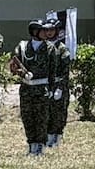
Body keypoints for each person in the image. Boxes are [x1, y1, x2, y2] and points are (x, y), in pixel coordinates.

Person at [9, 19, 60, 155]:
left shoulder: (50, 48)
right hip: (26, 89)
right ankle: (31, 144)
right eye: (42, 30)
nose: (46, 33)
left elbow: (52, 72)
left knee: (42, 118)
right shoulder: (23, 47)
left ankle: (40, 146)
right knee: (27, 117)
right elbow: (14, 66)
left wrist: (53, 89)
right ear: (34, 32)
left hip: (42, 89)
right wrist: (19, 72)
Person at [41, 17, 72, 148]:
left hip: (59, 84)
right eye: (46, 30)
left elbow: (65, 71)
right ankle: (47, 137)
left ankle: (57, 137)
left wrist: (59, 87)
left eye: (51, 30)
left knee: (58, 113)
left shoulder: (62, 48)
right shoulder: (43, 47)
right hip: (46, 84)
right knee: (45, 111)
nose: (49, 33)